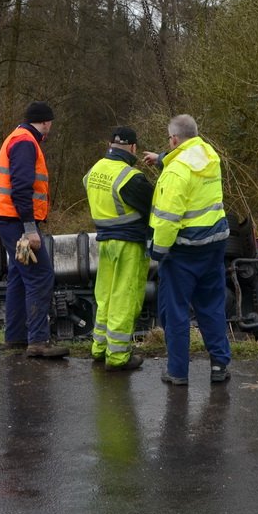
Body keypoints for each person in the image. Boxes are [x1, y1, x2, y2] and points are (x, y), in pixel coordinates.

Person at [149, 114, 232, 387]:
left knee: (175, 311)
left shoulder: (175, 173)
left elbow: (167, 220)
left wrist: (157, 254)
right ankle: (220, 365)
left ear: (174, 139)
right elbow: (189, 161)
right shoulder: (210, 155)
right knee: (211, 307)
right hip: (215, 243)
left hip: (184, 251)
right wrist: (161, 157)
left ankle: (178, 371)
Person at [0, 101, 69, 358]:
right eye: (51, 124)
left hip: (7, 219)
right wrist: (29, 229)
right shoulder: (26, 142)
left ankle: (15, 338)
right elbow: (22, 188)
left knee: (18, 275)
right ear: (46, 122)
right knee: (40, 275)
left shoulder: (17, 137)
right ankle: (37, 341)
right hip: (17, 221)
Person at [83, 126, 155, 372]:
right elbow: (154, 205)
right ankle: (118, 356)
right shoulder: (130, 177)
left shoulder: (94, 170)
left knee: (105, 297)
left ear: (110, 144)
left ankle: (99, 348)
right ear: (133, 148)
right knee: (125, 298)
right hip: (129, 243)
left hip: (104, 242)